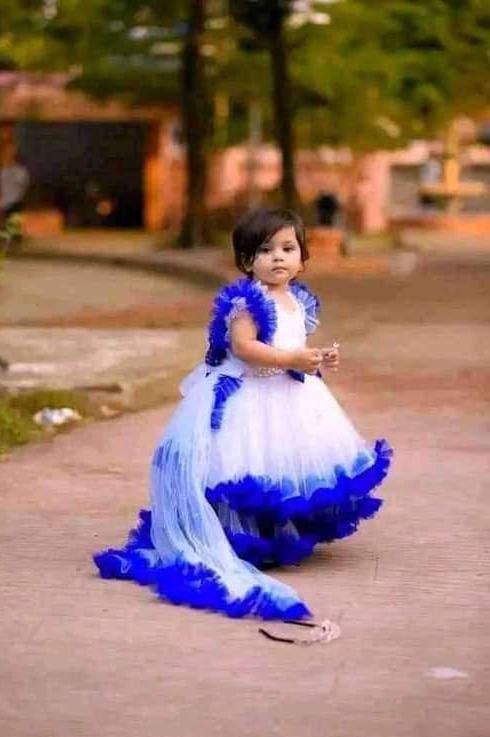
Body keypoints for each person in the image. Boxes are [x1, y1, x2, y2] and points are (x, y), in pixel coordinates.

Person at [93, 208, 393, 620]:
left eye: (288, 248)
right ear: (247, 260)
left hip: (290, 396)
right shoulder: (248, 300)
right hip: (249, 396)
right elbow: (245, 347)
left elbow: (291, 343)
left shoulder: (296, 300)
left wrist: (316, 358)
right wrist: (291, 358)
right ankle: (242, 536)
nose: (278, 258)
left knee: (286, 466)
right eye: (265, 250)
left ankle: (280, 534)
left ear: (303, 258)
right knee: (245, 466)